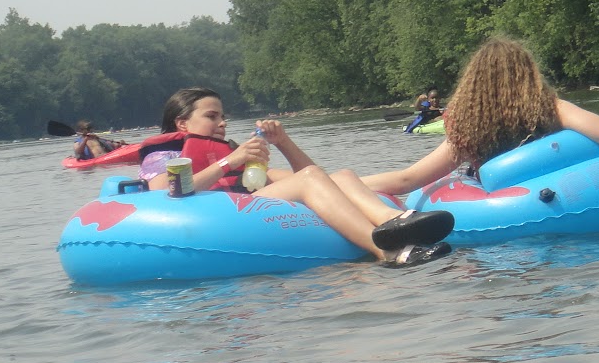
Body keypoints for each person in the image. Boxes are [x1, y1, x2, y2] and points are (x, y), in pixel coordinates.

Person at [140, 88, 454, 266]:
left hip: (240, 207)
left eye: (222, 116)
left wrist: (283, 142)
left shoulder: (229, 149)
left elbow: (311, 176)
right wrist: (229, 162)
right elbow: (161, 192)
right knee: (311, 180)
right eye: (212, 116)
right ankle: (387, 252)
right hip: (211, 216)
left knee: (342, 175)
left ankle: (397, 220)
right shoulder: (163, 154)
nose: (221, 123)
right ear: (182, 124)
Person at [361, 38, 599, 199]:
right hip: (569, 199)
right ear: (527, 75)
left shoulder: (469, 130)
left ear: (474, 85)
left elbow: (406, 179)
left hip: (504, 216)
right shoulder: (551, 108)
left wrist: (334, 186)